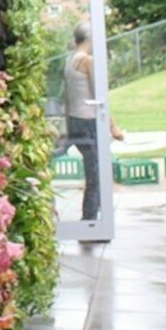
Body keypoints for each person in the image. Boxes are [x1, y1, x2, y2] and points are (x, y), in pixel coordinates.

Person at [64, 23, 124, 221]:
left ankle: (93, 220)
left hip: (75, 121)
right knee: (97, 174)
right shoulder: (88, 61)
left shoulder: (70, 60)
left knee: (95, 171)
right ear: (91, 39)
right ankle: (90, 222)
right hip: (88, 122)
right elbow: (100, 96)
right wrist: (113, 126)